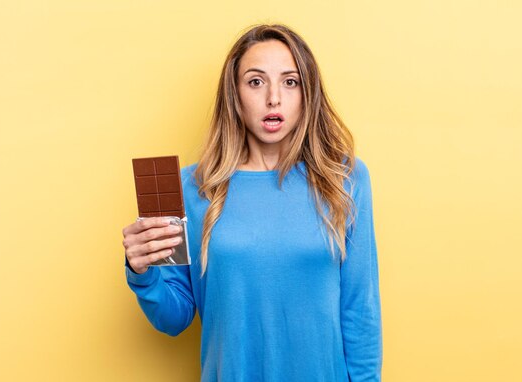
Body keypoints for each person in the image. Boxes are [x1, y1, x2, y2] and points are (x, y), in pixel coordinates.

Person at [122, 24, 382, 381]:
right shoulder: (185, 187)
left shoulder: (346, 180)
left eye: (290, 82)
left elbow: (360, 311)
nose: (274, 97)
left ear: (308, 94)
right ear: (235, 95)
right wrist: (142, 272)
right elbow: (173, 318)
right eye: (256, 82)